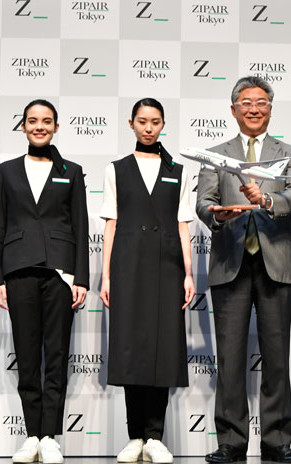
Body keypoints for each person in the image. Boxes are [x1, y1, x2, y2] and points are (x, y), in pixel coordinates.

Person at [197, 76, 291, 464]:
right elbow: (203, 202)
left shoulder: (289, 153)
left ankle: (277, 440)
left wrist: (267, 200)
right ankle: (231, 440)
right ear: (233, 110)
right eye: (246, 102)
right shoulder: (215, 155)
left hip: (275, 264)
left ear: (270, 109)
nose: (254, 109)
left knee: (276, 357)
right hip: (230, 263)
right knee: (229, 358)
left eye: (261, 102)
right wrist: (217, 214)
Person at [0, 99, 89, 464]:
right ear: (24, 126)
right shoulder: (7, 171)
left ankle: (50, 436)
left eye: (47, 121)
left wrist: (81, 278)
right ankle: (32, 434)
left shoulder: (71, 171)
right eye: (32, 121)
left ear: (56, 127)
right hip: (18, 270)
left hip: (60, 272)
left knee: (56, 355)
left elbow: (80, 225)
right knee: (28, 355)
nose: (39, 126)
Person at [99, 98, 195, 464]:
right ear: (131, 124)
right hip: (128, 265)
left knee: (163, 349)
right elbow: (111, 224)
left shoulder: (178, 171)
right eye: (142, 121)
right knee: (131, 348)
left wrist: (188, 273)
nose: (149, 127)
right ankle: (135, 436)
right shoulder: (117, 169)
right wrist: (106, 276)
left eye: (155, 121)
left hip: (168, 266)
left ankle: (155, 436)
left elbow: (183, 225)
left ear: (163, 124)